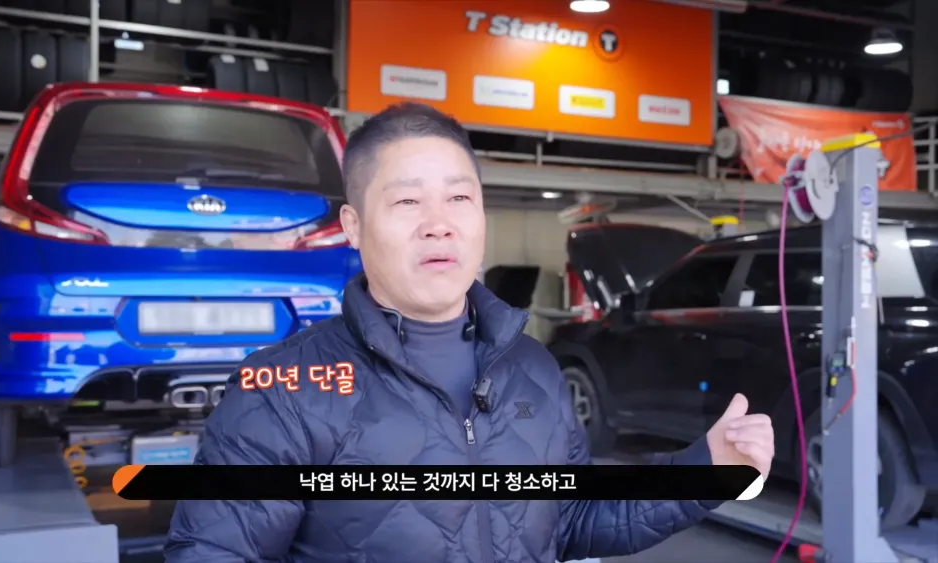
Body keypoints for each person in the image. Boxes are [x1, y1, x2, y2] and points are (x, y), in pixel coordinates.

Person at [165, 102, 776, 562]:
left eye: (459, 198)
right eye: (407, 202)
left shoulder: (532, 369)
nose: (439, 224)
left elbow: (572, 519)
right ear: (353, 225)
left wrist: (708, 469)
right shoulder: (281, 390)